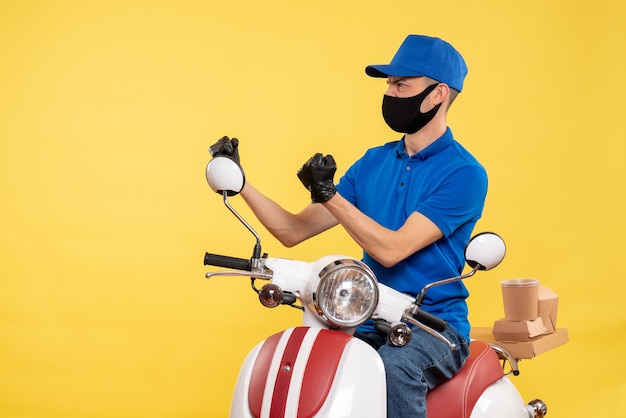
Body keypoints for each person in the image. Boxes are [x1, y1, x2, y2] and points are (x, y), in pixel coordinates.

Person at [210, 34, 488, 417]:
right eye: (389, 84)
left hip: (432, 326)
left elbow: (392, 250)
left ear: (438, 94)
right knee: (310, 362)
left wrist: (330, 194)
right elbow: (292, 231)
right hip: (365, 314)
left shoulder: (464, 174)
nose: (390, 92)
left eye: (401, 84)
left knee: (396, 369)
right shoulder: (373, 163)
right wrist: (242, 183)